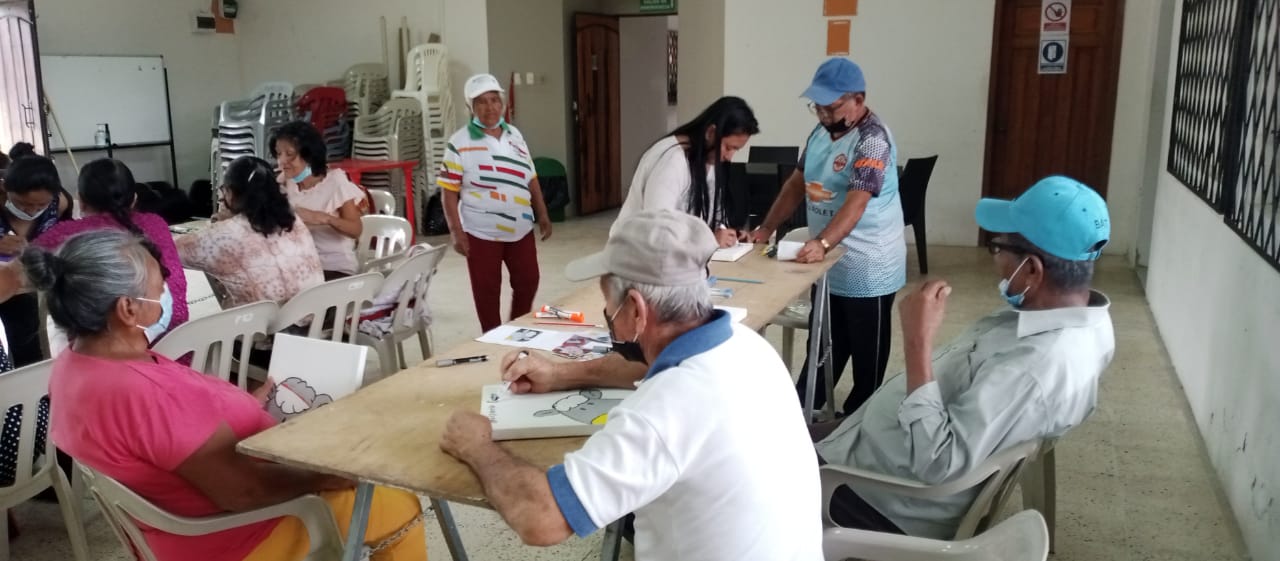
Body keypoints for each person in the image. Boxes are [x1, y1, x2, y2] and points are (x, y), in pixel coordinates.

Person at [440, 210, 822, 560]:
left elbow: (543, 519)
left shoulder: (660, 411)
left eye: (608, 303)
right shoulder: (746, 343)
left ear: (637, 310)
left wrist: (477, 447)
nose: (606, 314)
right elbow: (641, 366)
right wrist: (558, 374)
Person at [23, 229, 426, 561]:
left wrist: (245, 407)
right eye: (158, 287)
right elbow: (245, 493)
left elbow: (168, 439)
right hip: (237, 538)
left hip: (169, 531)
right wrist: (326, 474)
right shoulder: (147, 395)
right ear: (127, 309)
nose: (165, 292)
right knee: (397, 503)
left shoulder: (72, 366)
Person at [813, 176, 1114, 539]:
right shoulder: (1086, 322)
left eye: (997, 247)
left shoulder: (1032, 368)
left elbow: (937, 462)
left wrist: (917, 342)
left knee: (749, 469)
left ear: (1032, 269)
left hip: (874, 498)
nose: (996, 259)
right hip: (868, 446)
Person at [750, 57, 906, 415]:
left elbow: (858, 200)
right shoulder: (820, 133)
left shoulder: (872, 139)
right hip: (827, 263)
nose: (822, 114)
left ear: (858, 99)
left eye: (830, 107)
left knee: (866, 355)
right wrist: (766, 228)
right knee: (823, 345)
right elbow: (796, 184)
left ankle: (857, 422)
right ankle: (804, 411)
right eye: (817, 106)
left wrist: (822, 243)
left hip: (869, 265)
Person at [437, 73, 552, 333]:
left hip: (521, 228)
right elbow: (448, 192)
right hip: (481, 232)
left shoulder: (515, 135)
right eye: (481, 102)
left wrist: (542, 213)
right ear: (471, 107)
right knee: (487, 290)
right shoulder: (459, 142)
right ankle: (493, 338)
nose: (490, 107)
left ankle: (516, 329)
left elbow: (531, 177)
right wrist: (456, 231)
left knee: (528, 280)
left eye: (494, 100)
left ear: (502, 103)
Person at [35, 159, 188, 341]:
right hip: (179, 340)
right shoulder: (156, 223)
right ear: (134, 199)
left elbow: (26, 261)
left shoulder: (68, 233)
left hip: (119, 346)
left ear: (81, 202)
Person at [613, 96, 759, 248]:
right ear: (711, 133)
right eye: (728, 148)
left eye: (736, 150)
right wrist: (709, 240)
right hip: (637, 252)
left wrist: (731, 235)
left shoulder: (708, 161)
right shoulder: (672, 160)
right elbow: (657, 230)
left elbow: (712, 217)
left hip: (671, 253)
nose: (729, 157)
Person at [177, 156, 324, 308]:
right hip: (314, 315)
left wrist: (223, 223)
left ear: (231, 193)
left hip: (259, 322)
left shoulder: (224, 233)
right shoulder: (292, 219)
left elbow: (170, 253)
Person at [0, 154, 73, 366]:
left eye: (40, 205)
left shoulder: (60, 203)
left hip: (27, 284)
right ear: (5, 188)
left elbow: (67, 235)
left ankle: (28, 380)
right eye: (22, 204)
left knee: (28, 342)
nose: (31, 210)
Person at [271, 120, 364, 280]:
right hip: (301, 266)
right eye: (279, 154)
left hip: (334, 267)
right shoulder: (286, 181)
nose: (282, 161)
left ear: (309, 155)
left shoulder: (335, 182)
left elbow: (356, 230)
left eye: (289, 154)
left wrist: (325, 218)